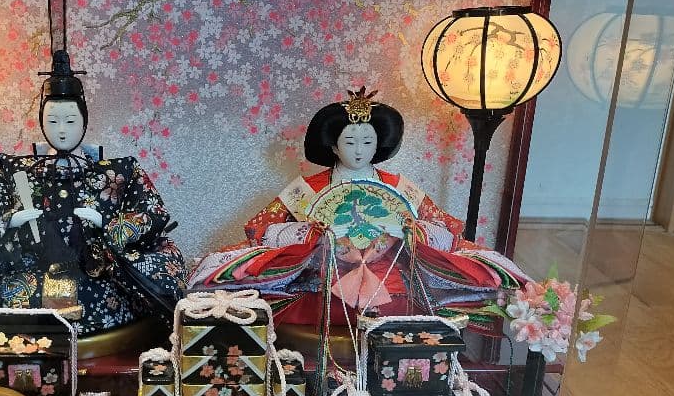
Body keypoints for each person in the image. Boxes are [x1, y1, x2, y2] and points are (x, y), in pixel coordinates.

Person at [188, 88, 526, 331]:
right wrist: (312, 236)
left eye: (368, 142)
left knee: (474, 272)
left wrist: (408, 232)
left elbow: (446, 227)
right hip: (322, 278)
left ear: (379, 144)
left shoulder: (399, 186)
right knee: (231, 274)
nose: (359, 150)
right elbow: (260, 229)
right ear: (334, 146)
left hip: (391, 282)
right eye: (350, 142)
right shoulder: (308, 189)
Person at [0, 49, 187, 336]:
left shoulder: (119, 171)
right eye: (52, 121)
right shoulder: (10, 168)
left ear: (84, 121)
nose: (61, 130)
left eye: (70, 121)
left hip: (96, 273)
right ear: (41, 121)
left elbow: (152, 212)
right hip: (28, 271)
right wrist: (10, 220)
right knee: (8, 293)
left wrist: (108, 223)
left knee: (111, 295)